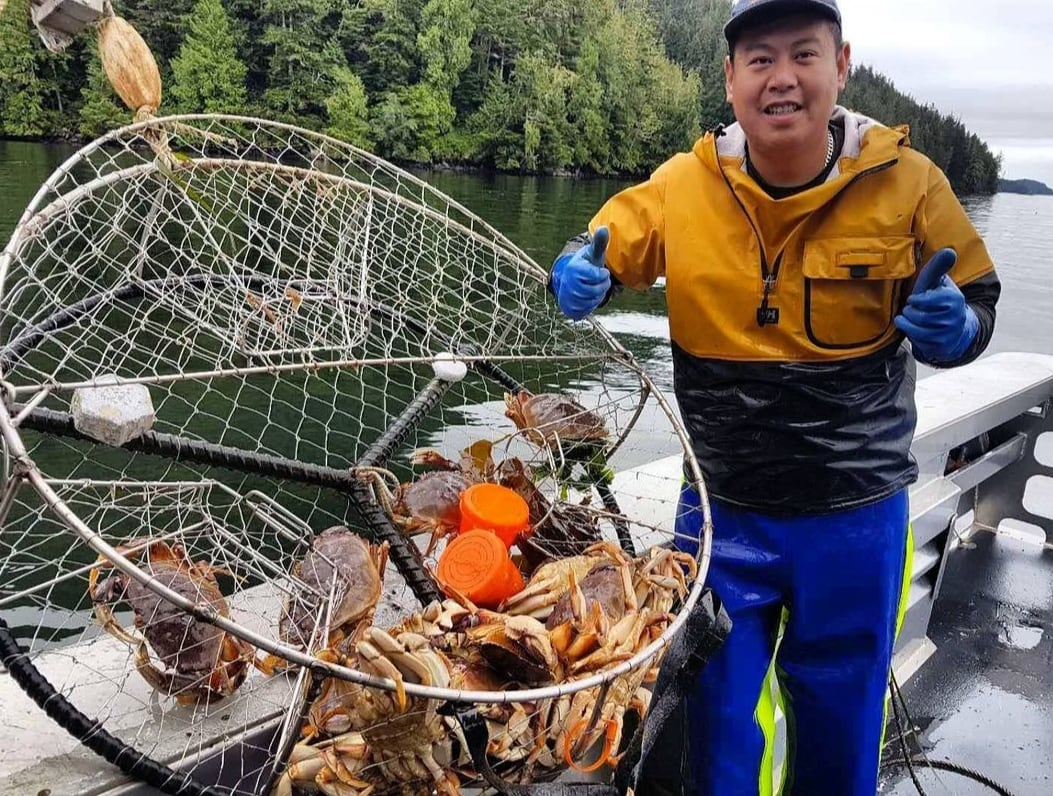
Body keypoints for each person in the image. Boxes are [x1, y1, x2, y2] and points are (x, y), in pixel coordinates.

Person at [547, 0, 1000, 794]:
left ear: (840, 66)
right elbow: (596, 251)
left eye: (802, 54)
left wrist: (956, 329)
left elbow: (977, 303)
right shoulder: (680, 185)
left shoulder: (911, 184)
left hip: (854, 515)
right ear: (729, 79)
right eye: (759, 59)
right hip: (719, 512)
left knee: (839, 715)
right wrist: (573, 278)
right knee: (708, 716)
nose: (781, 77)